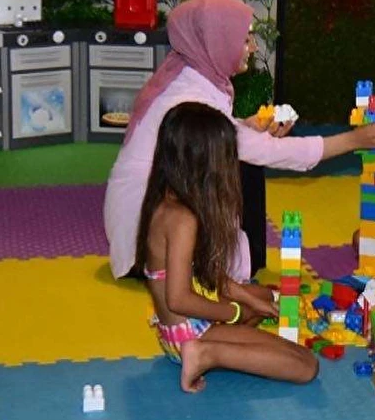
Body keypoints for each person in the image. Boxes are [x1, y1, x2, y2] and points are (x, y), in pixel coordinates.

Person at [104, 0, 375, 280]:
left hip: (145, 226)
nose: (253, 48)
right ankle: (249, 255)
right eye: (245, 39)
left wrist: (247, 126)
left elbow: (207, 136)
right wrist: (355, 140)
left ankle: (238, 252)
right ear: (217, 42)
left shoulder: (190, 72)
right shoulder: (190, 96)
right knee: (246, 164)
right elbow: (266, 151)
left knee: (241, 158)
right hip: (149, 248)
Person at [136, 102, 319, 394]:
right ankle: (207, 355)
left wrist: (251, 302)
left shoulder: (168, 202)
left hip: (181, 328)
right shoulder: (182, 220)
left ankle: (219, 345)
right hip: (189, 334)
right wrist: (232, 313)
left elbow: (208, 275)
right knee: (306, 365)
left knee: (261, 297)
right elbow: (179, 299)